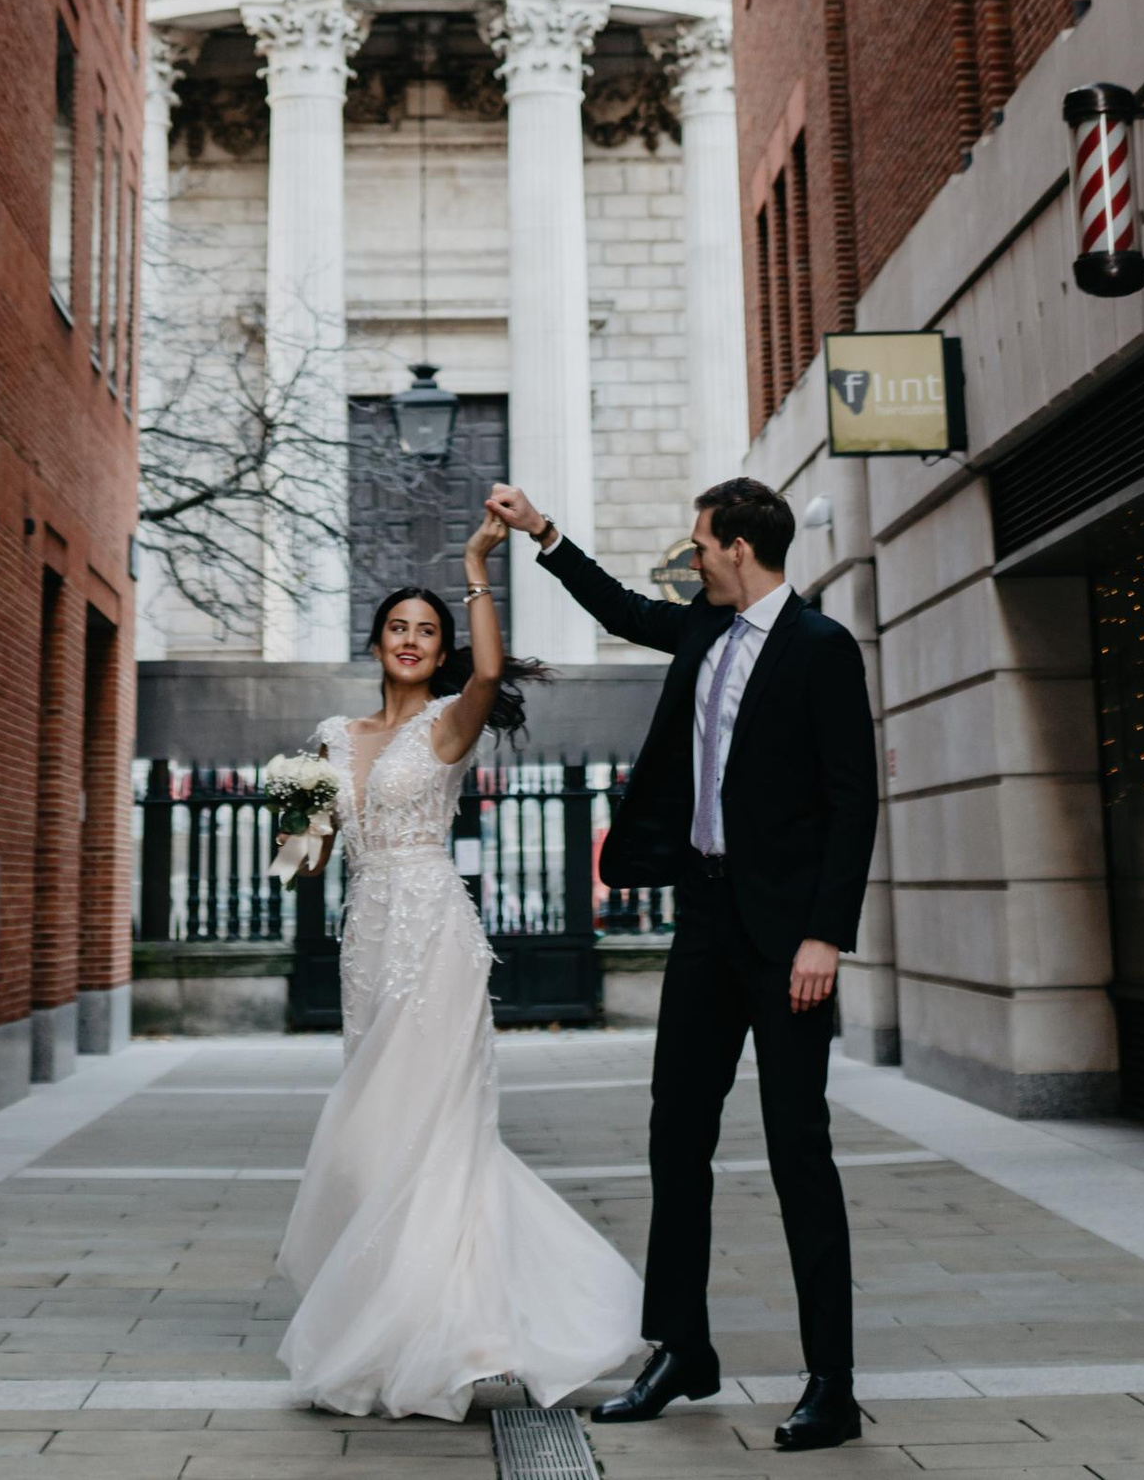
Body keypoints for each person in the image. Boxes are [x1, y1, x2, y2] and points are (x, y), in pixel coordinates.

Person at [485, 474, 878, 1454]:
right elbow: (620, 609)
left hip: (785, 938)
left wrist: (824, 936)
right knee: (675, 1135)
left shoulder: (821, 648)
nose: (692, 556)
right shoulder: (703, 628)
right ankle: (682, 1347)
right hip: (703, 916)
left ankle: (831, 1382)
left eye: (700, 543)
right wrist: (542, 531)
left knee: (798, 1149)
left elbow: (852, 798)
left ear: (739, 547)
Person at [276, 507, 643, 1419]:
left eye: (426, 631)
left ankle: (459, 1335)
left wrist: (479, 560)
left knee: (436, 1134)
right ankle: (404, 1324)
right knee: (374, 1142)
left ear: (440, 651)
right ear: (376, 641)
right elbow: (309, 866)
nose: (411, 639)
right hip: (366, 943)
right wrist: (296, 817)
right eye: (398, 627)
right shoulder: (332, 735)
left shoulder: (450, 721)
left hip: (434, 936)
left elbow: (490, 671)